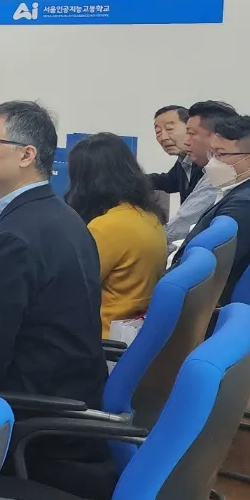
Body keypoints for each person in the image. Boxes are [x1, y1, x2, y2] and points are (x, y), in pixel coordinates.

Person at [0, 101, 107, 408]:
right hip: (71, 386)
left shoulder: (14, 238)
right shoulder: (60, 215)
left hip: (32, 401)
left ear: (26, 155)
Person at [66, 132, 169, 343]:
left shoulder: (107, 227)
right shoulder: (147, 216)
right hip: (130, 331)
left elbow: (68, 290)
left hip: (99, 338)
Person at [175, 115, 250, 303]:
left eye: (220, 154)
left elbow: (206, 269)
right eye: (212, 154)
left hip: (198, 298)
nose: (212, 162)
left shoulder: (247, 206)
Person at [164, 100, 238, 248]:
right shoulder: (209, 171)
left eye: (191, 134)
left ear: (217, 137)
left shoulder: (221, 177)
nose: (186, 142)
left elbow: (172, 234)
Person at [149, 104, 200, 200]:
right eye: (158, 132)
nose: (163, 137)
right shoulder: (183, 160)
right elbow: (168, 182)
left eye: (169, 129)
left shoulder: (207, 162)